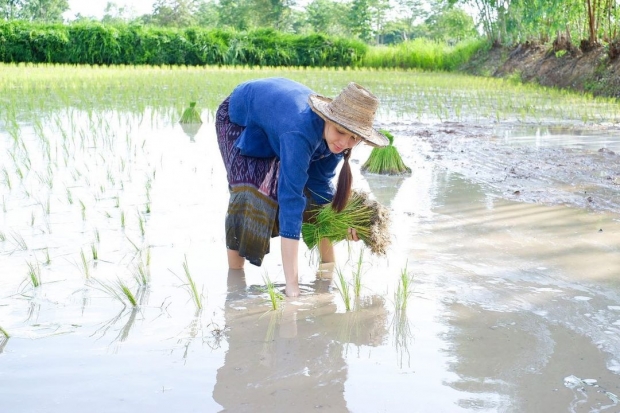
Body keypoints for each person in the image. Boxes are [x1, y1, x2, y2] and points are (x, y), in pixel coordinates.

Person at [215, 77, 388, 297]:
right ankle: (235, 281)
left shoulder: (336, 144)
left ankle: (327, 272)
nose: (345, 143)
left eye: (354, 138)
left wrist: (343, 224)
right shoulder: (299, 132)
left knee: (315, 197)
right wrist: (292, 288)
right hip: (241, 118)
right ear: (328, 118)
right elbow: (291, 199)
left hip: (278, 121)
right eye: (341, 132)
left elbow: (319, 187)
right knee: (251, 191)